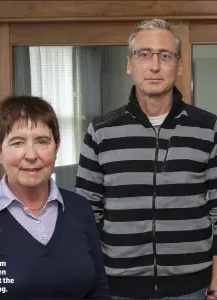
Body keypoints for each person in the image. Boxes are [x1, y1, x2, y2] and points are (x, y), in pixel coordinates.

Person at [75, 19, 217, 300]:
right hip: (118, 288)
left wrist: (215, 284)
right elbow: (86, 216)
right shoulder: (101, 131)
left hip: (193, 289)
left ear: (178, 66)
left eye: (165, 56)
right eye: (144, 54)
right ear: (130, 65)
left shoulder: (208, 128)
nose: (154, 66)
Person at [0, 95, 111, 300]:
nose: (31, 155)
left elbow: (98, 289)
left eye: (42, 141)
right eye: (17, 142)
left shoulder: (80, 209)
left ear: (57, 147)